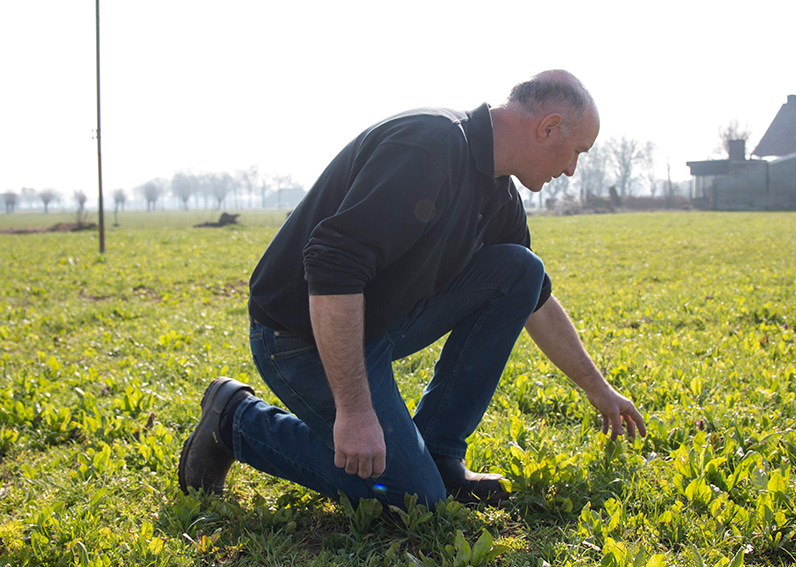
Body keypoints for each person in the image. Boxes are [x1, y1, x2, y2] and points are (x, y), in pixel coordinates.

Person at [178, 69, 646, 509]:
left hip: (377, 324)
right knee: (413, 498)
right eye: (577, 152)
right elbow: (333, 264)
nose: (572, 170)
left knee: (519, 270)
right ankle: (233, 419)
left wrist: (598, 390)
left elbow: (534, 300)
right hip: (300, 337)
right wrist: (356, 412)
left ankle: (440, 455)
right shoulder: (429, 147)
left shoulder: (499, 191)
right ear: (548, 128)